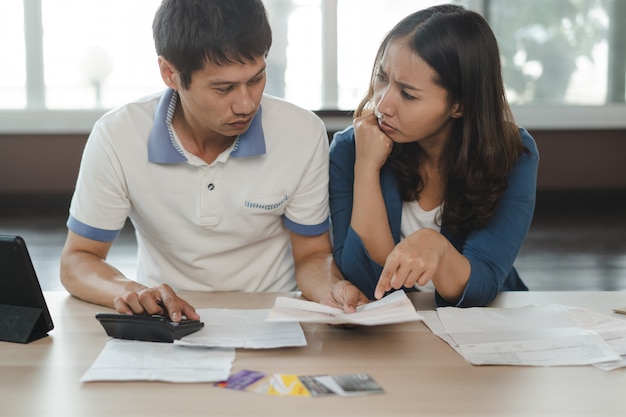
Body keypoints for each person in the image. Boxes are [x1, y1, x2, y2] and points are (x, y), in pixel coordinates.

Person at [60, 0, 365, 321]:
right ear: (170, 74)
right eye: (223, 88)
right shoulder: (118, 135)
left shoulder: (302, 132)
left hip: (273, 317)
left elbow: (313, 254)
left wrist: (332, 288)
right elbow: (78, 259)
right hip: (169, 321)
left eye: (257, 79)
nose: (246, 104)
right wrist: (129, 291)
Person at [329, 4, 539, 307]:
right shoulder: (353, 147)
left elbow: (483, 282)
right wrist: (366, 168)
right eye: (382, 77)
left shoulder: (512, 153)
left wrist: (436, 249)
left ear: (459, 105)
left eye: (408, 94)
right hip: (391, 336)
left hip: (485, 330)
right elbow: (364, 281)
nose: (383, 104)